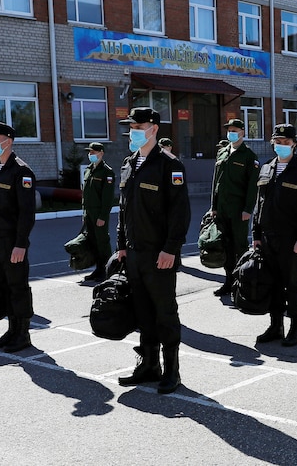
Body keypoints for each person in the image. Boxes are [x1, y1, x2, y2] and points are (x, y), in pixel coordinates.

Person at [115, 107, 191, 395]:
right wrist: (121, 245)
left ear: (154, 128)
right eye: (131, 125)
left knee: (164, 313)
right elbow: (124, 211)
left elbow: (179, 213)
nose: (133, 130)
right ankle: (149, 365)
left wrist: (171, 249)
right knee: (143, 313)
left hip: (160, 255)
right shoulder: (129, 163)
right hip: (134, 255)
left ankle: (172, 371)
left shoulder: (169, 165)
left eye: (138, 125)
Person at [251, 124, 297, 347]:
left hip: (291, 240)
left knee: (293, 284)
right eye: (277, 142)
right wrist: (256, 234)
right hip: (268, 237)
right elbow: (259, 204)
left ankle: (295, 328)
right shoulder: (266, 168)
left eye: (285, 142)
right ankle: (276, 326)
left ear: (294, 144)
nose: (281, 146)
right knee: (273, 284)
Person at [0, 121, 37, 353]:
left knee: (18, 287)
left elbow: (27, 213)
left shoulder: (21, 171)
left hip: (13, 243)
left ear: (8, 141)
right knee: (4, 287)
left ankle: (22, 333)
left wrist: (21, 244)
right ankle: (12, 330)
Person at [210, 118, 260, 297]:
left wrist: (248, 209)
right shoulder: (222, 152)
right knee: (225, 246)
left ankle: (242, 282)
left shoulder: (249, 156)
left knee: (239, 246)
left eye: (234, 130)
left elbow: (252, 186)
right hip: (222, 209)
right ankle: (228, 282)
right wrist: (213, 206)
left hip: (239, 210)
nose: (231, 133)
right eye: (229, 130)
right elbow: (216, 181)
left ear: (243, 132)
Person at [81, 142, 115, 282]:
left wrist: (103, 216)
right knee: (93, 242)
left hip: (99, 214)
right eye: (90, 153)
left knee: (102, 243)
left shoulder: (107, 172)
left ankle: (107, 270)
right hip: (88, 213)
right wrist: (84, 213)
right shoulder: (88, 170)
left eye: (94, 153)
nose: (91, 155)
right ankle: (98, 269)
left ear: (101, 153)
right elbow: (85, 194)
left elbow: (107, 198)